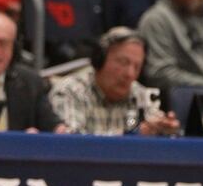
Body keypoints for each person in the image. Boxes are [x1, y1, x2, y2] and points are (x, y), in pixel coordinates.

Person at [49, 27, 181, 136]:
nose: (130, 74)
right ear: (99, 60)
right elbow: (71, 144)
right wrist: (132, 135)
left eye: (137, 67)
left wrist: (164, 130)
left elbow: (152, 130)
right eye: (123, 63)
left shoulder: (140, 94)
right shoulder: (71, 90)